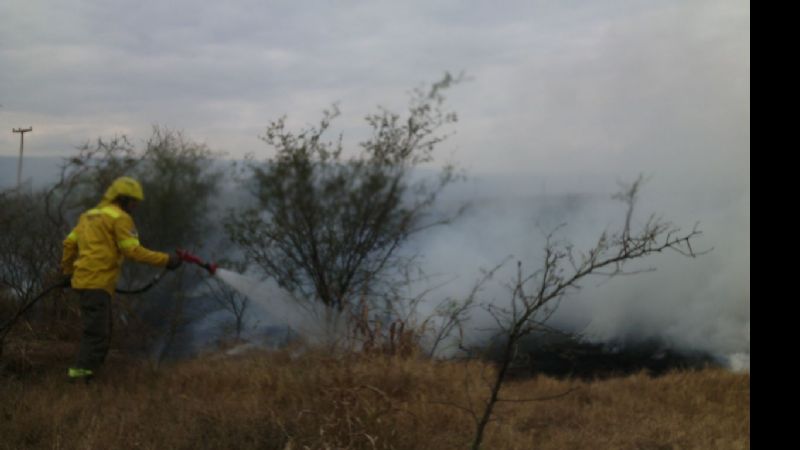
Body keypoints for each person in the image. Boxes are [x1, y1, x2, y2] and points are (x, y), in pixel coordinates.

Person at [60, 176, 182, 382]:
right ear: (123, 199)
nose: (135, 206)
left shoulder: (88, 216)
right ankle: (78, 380)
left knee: (100, 332)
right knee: (96, 335)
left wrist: (67, 272)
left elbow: (69, 243)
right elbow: (132, 251)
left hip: (83, 282)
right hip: (97, 284)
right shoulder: (120, 218)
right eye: (134, 201)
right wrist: (167, 260)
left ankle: (89, 376)